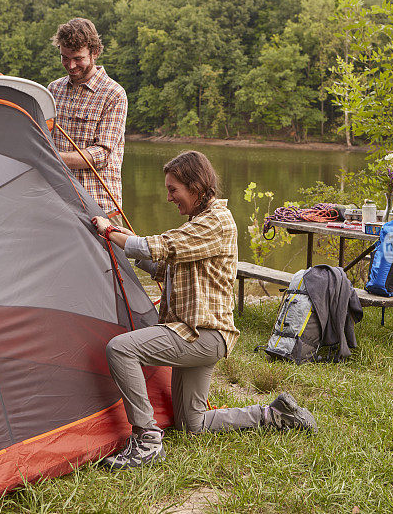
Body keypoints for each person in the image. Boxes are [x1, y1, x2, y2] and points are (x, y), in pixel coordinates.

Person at [91, 150, 317, 470]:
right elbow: (160, 264)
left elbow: (161, 245)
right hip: (196, 332)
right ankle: (275, 414)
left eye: (173, 190)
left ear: (196, 187)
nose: (169, 197)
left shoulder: (216, 221)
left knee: (120, 350)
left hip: (202, 334)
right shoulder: (199, 224)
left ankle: (145, 441)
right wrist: (116, 242)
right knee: (191, 424)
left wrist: (109, 231)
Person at [49, 18, 127, 225]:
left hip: (101, 208)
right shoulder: (53, 90)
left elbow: (101, 154)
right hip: (59, 203)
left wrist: (51, 157)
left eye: (78, 58)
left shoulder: (114, 94)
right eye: (64, 58)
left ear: (95, 52)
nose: (71, 65)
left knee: (108, 258)